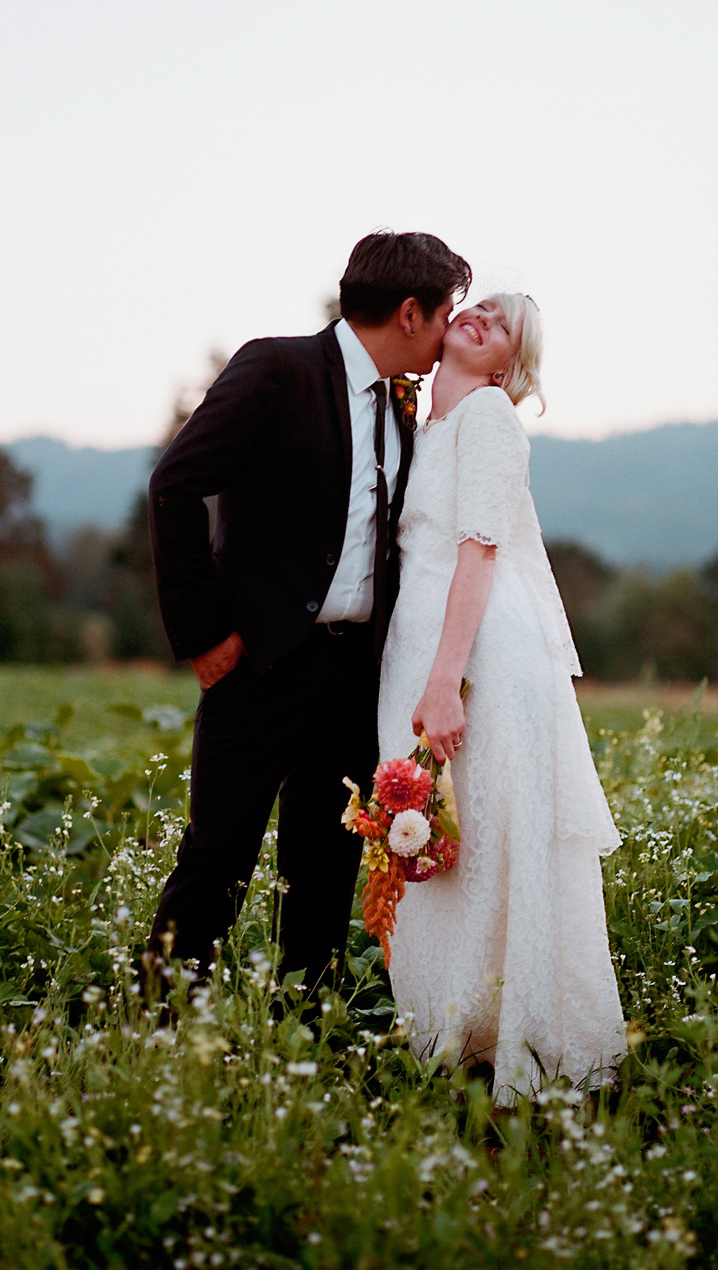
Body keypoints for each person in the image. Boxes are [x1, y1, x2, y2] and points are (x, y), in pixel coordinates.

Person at [141, 232, 472, 999]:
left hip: (354, 672)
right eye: (445, 312)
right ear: (410, 312)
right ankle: (159, 1023)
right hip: (256, 660)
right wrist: (205, 635)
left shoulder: (400, 401)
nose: (449, 329)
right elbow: (175, 484)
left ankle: (308, 1019)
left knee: (326, 859)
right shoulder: (276, 368)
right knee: (218, 854)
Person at [378, 294, 627, 1103]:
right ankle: (456, 1031)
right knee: (443, 842)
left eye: (504, 325)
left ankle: (521, 1040)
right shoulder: (420, 422)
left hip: (476, 654)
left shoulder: (487, 417)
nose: (482, 316)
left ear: (507, 369)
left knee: (489, 842)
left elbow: (479, 552)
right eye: (481, 304)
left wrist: (444, 682)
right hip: (420, 648)